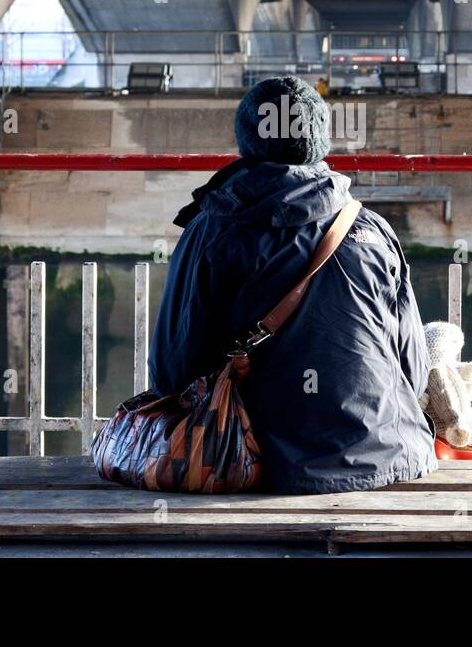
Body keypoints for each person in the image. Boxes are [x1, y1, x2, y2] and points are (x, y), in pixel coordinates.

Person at [148, 76, 438, 493]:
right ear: (319, 140)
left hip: (254, 464)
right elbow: (412, 369)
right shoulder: (370, 229)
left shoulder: (212, 230)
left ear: (247, 142)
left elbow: (172, 371)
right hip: (391, 455)